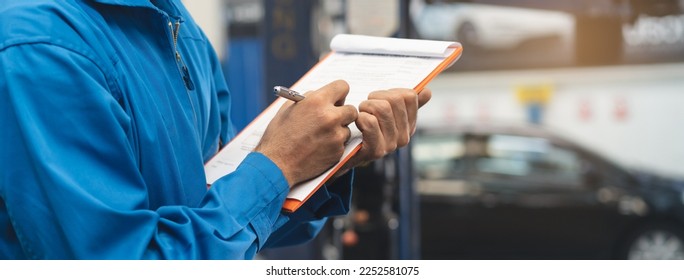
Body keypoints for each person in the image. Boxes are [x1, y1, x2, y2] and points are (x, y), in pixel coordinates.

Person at [0, 0, 431, 259]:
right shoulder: (40, 47)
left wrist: (326, 160)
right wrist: (278, 164)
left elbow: (224, 216)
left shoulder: (177, 28)